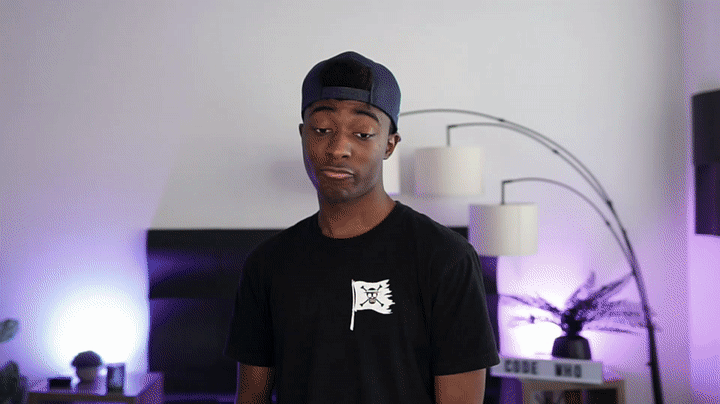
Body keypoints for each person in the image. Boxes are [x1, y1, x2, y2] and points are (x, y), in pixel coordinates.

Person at [225, 51, 499, 403]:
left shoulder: (446, 258)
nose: (338, 148)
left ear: (389, 144)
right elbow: (251, 397)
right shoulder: (267, 264)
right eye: (322, 129)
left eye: (363, 133)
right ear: (303, 134)